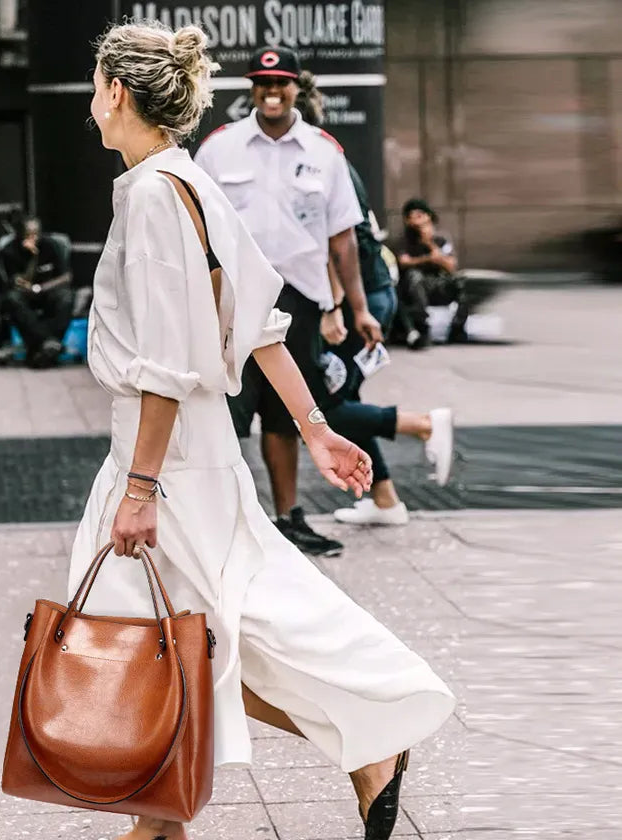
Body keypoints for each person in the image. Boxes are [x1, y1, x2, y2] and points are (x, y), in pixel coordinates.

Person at [49, 22, 455, 840]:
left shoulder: (154, 193)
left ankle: (363, 741)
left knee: (165, 636)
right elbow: (260, 318)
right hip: (187, 451)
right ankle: (166, 822)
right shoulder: (189, 180)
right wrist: (314, 425)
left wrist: (140, 486)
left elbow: (166, 361)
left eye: (95, 86)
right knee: (185, 634)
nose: (91, 102)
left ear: (118, 93)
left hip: (163, 456)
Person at [193, 46, 385, 558]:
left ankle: (287, 518)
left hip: (299, 299)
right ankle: (224, 524)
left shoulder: (324, 150)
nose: (271, 91)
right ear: (252, 89)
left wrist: (356, 308)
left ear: (297, 86)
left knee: (287, 416)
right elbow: (195, 233)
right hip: (231, 300)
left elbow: (343, 238)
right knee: (226, 413)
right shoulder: (219, 148)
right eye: (262, 82)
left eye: (281, 82)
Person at [294, 74, 454, 524]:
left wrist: (334, 309)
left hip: (355, 296)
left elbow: (333, 242)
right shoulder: (332, 157)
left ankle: (423, 424)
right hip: (369, 291)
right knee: (343, 399)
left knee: (327, 405)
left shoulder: (316, 162)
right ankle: (385, 500)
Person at [0, 212, 73, 368]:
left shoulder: (51, 245)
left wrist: (41, 288)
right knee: (12, 300)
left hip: (47, 289)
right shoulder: (9, 250)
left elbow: (66, 277)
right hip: (24, 293)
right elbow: (18, 281)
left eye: (36, 234)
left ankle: (43, 345)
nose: (33, 238)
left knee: (66, 298)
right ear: (20, 234)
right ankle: (49, 343)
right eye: (28, 234)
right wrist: (33, 257)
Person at [395, 198, 467, 350]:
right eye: (411, 216)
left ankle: (458, 327)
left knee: (462, 281)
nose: (415, 220)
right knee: (414, 278)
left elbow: (451, 266)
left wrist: (429, 243)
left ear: (429, 216)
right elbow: (404, 262)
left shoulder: (441, 239)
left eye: (419, 215)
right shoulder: (405, 240)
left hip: (439, 284)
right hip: (416, 288)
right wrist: (427, 258)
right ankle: (422, 327)